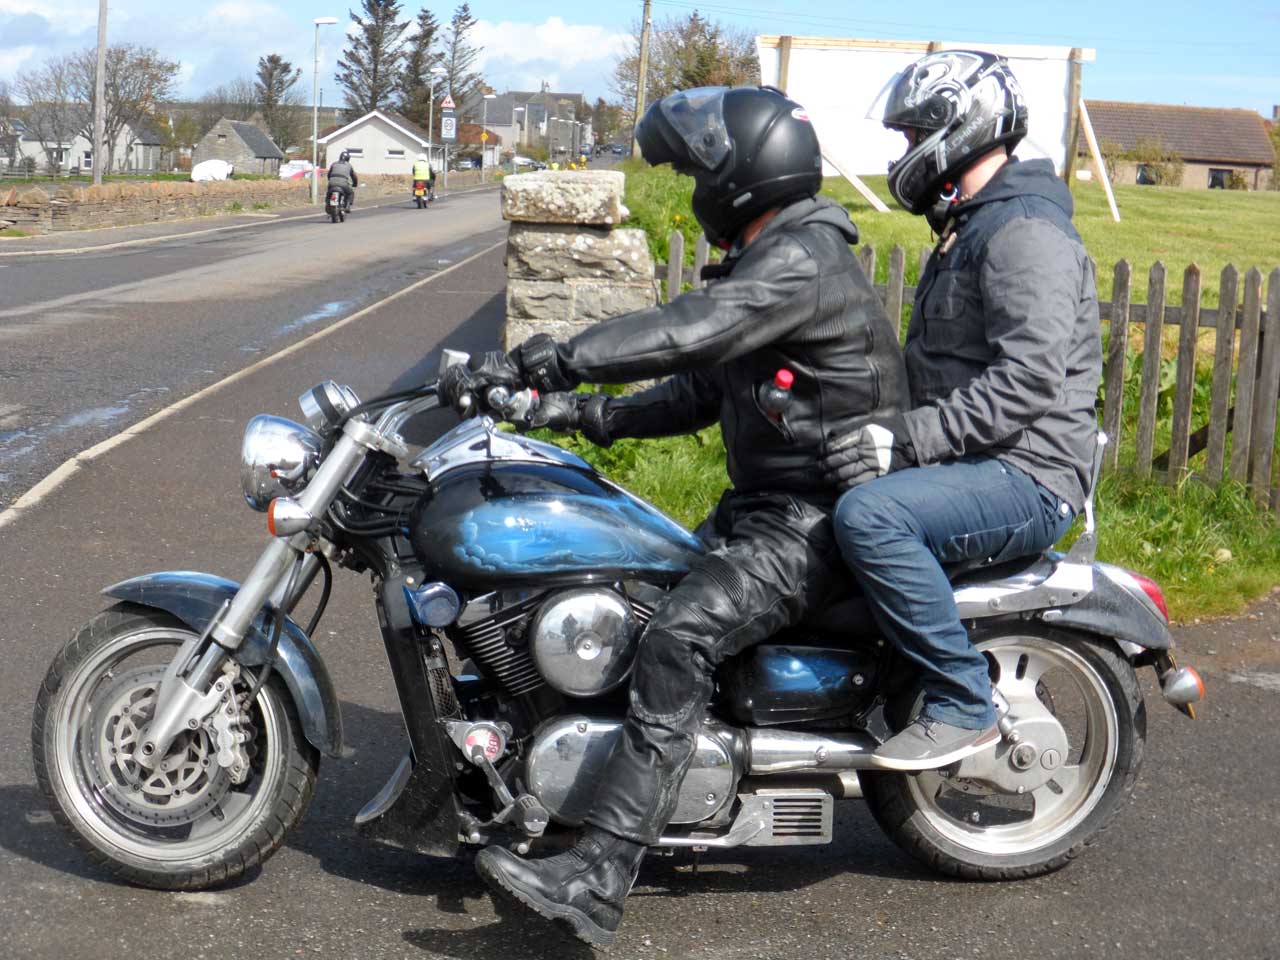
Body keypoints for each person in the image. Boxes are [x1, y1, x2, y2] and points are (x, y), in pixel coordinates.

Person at [440, 85, 909, 945]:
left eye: (700, 170)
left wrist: (554, 360)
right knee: (631, 590)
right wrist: (576, 418)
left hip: (818, 518)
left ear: (746, 174)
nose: (693, 185)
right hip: (770, 508)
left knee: (678, 637)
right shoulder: (782, 258)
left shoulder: (800, 262)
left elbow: (685, 332)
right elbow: (700, 388)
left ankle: (600, 873)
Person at [820, 50, 1102, 770]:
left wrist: (907, 442)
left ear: (959, 126)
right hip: (983, 462)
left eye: (913, 135)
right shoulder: (973, 224)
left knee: (872, 517)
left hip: (1029, 474)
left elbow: (1027, 383)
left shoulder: (1022, 232)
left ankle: (963, 701)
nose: (906, 152)